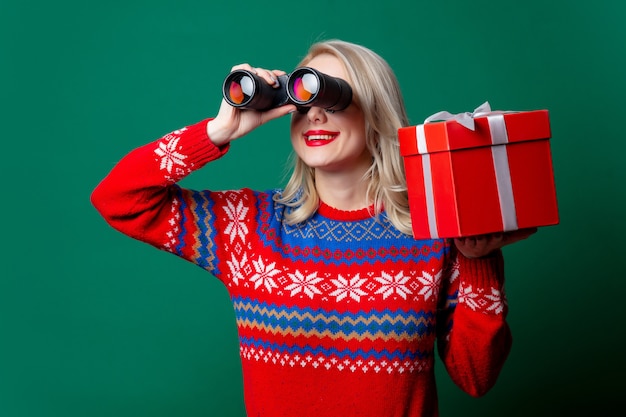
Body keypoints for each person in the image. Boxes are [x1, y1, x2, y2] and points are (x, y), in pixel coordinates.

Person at [91, 39, 536, 417]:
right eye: (301, 101)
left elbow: (476, 377)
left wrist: (479, 262)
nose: (315, 115)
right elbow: (118, 198)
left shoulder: (436, 230)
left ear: (376, 115)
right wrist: (218, 130)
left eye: (333, 97)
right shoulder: (249, 227)